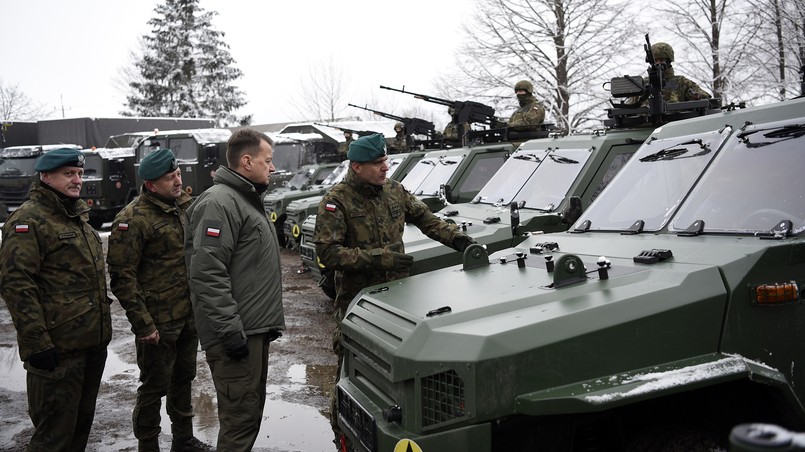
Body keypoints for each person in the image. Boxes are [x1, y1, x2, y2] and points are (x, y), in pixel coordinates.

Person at [312, 133, 476, 449]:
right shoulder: (337, 201)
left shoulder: (394, 191)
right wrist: (379, 257)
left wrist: (460, 241)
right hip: (359, 304)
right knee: (351, 372)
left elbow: (428, 220)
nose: (385, 167)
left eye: (386, 160)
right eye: (377, 163)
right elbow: (328, 254)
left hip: (399, 300)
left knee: (397, 371)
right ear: (357, 167)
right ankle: (343, 435)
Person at [0, 148, 112, 451]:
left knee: (78, 431)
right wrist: (36, 343)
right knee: (53, 438)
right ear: (45, 176)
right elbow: (16, 284)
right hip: (57, 352)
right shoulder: (29, 220)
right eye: (69, 174)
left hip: (90, 346)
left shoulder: (75, 216)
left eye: (79, 174)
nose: (77, 180)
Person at [183, 128, 285, 452]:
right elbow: (206, 272)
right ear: (246, 161)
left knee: (249, 417)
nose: (272, 168)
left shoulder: (245, 200)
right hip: (236, 335)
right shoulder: (220, 202)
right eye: (267, 161)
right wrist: (230, 331)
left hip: (251, 331)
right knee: (239, 424)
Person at [107, 149, 213, 452]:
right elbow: (122, 277)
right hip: (157, 323)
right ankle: (148, 444)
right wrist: (143, 325)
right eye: (170, 178)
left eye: (178, 174)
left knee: (184, 379)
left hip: (187, 316)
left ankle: (183, 439)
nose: (178, 181)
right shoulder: (132, 219)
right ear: (151, 184)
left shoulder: (184, 207)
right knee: (153, 387)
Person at [648, 42, 712, 102]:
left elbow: (707, 99)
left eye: (661, 60)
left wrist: (697, 96)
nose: (658, 63)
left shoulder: (682, 83)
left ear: (668, 61)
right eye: (655, 61)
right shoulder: (644, 84)